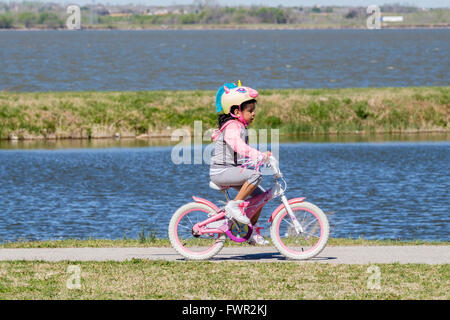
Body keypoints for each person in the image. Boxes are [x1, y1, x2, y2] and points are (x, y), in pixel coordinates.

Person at [210, 81, 271, 245]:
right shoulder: (232, 126)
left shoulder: (237, 126)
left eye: (254, 111)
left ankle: (251, 232)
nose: (253, 114)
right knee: (255, 176)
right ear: (237, 111)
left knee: (260, 196)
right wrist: (257, 155)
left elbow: (239, 149)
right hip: (221, 172)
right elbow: (238, 145)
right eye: (250, 111)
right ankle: (234, 207)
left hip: (230, 170)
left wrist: (260, 159)